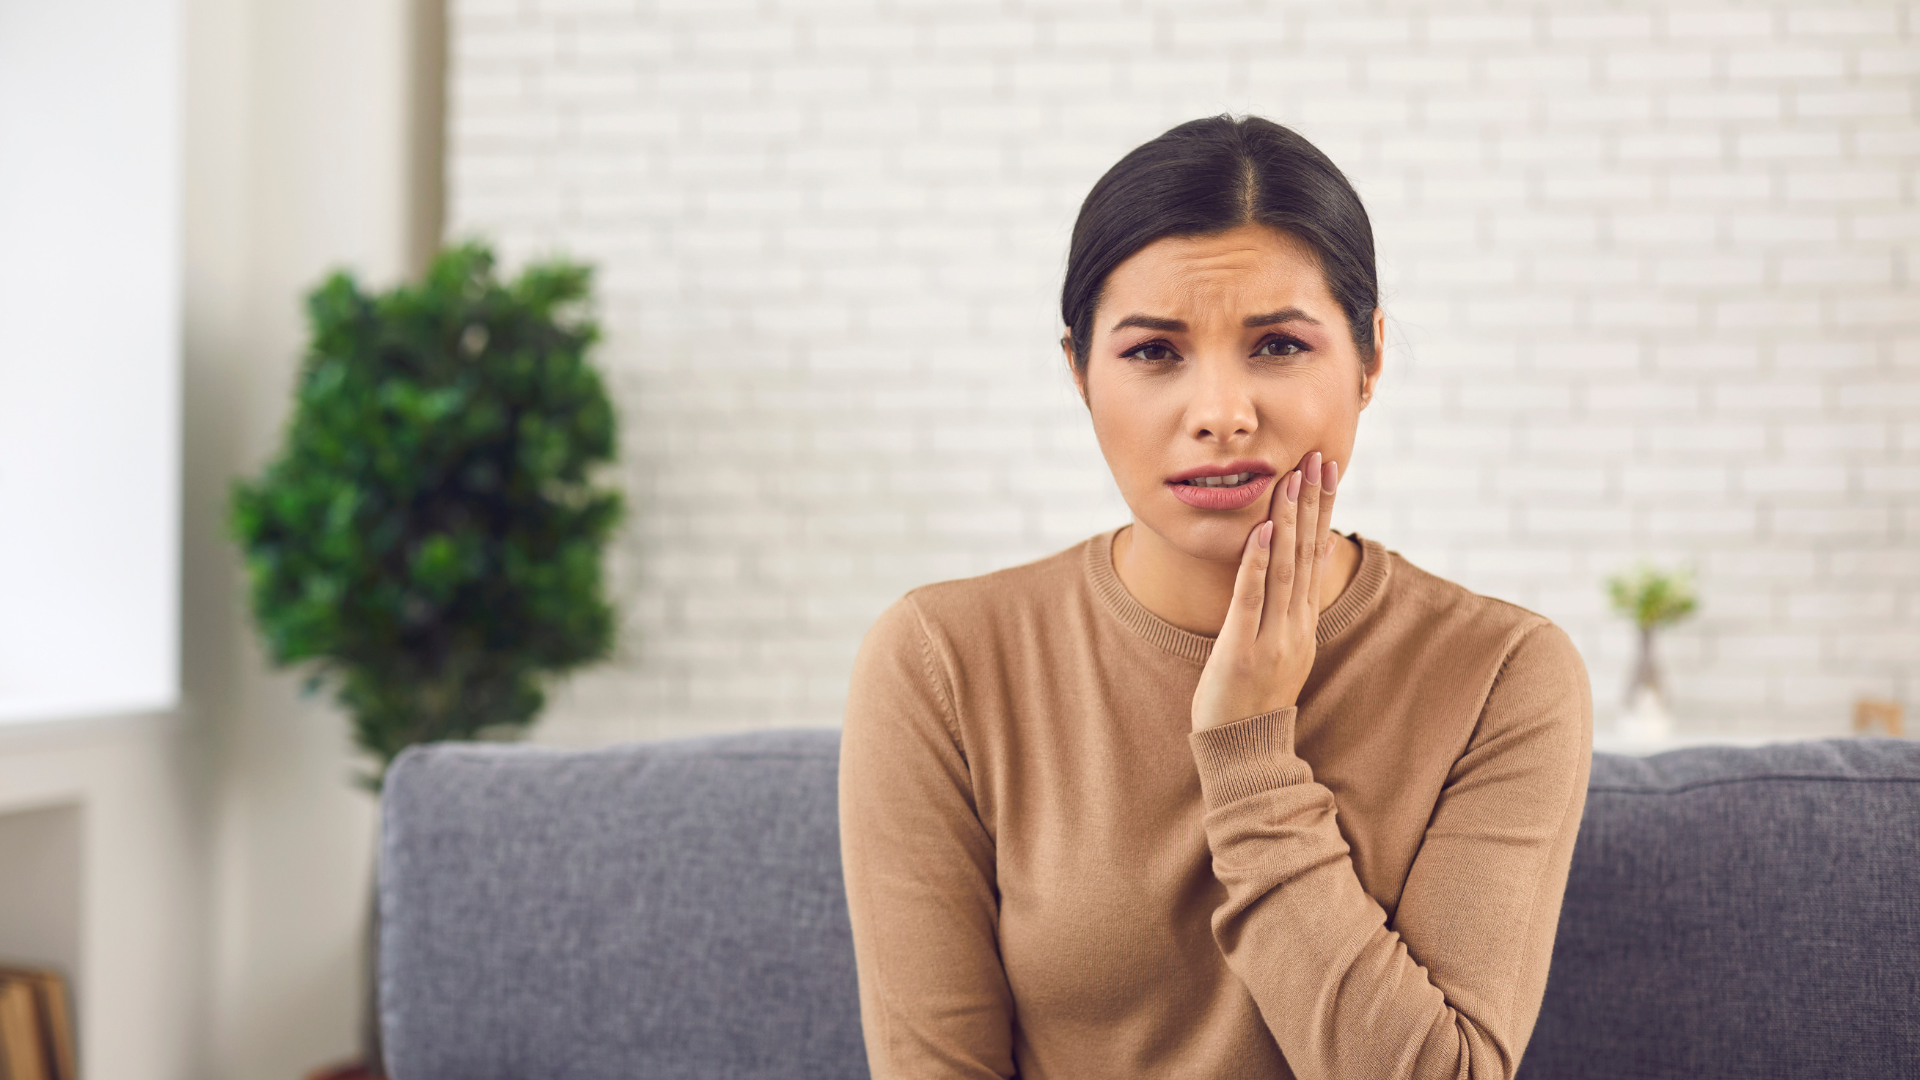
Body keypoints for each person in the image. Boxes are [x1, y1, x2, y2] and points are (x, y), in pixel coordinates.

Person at [838, 115, 1592, 1080]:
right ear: (1078, 373)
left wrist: (1249, 756)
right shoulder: (942, 660)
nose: (1222, 415)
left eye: (1277, 345)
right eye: (1155, 353)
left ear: (1369, 360)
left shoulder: (1501, 674)